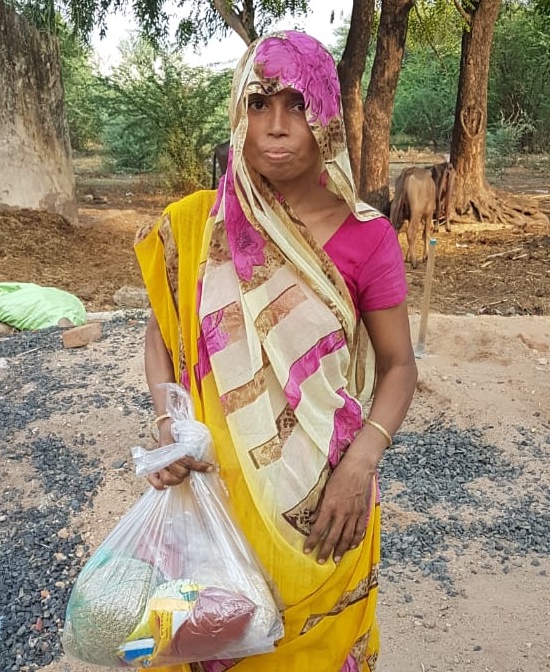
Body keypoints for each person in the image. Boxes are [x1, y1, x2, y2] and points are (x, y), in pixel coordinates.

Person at [134, 29, 417, 672]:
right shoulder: (198, 224)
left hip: (326, 504)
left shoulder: (367, 240)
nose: (278, 126)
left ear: (328, 121)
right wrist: (169, 426)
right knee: (215, 641)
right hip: (215, 496)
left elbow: (400, 367)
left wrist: (361, 465)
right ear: (238, 117)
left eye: (298, 105)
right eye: (259, 104)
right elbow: (162, 334)